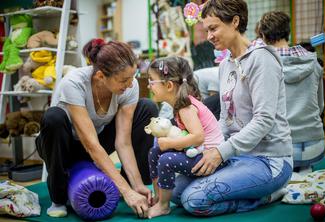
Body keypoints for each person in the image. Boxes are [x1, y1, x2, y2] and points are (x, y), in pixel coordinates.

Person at [171, 0, 293, 216]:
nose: (208, 36)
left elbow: (264, 120)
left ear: (235, 21)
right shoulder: (226, 64)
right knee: (174, 191)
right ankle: (249, 188)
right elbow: (226, 119)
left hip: (269, 161)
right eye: (207, 29)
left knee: (193, 200)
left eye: (213, 28)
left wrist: (221, 152)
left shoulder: (262, 59)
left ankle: (266, 195)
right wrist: (210, 148)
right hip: (236, 157)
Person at [35, 39, 158, 218]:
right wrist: (122, 189)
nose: (130, 84)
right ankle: (58, 197)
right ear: (100, 76)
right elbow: (91, 144)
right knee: (53, 117)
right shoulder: (74, 83)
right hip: (63, 147)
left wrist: (135, 185)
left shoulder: (130, 86)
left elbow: (123, 142)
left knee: (147, 107)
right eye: (124, 80)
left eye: (133, 76)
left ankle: (134, 187)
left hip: (97, 142)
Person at [146, 56, 225, 218]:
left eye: (152, 81)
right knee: (154, 153)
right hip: (196, 152)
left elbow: (198, 137)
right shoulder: (179, 105)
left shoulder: (186, 107)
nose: (149, 85)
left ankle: (164, 206)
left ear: (168, 85)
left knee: (165, 160)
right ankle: (159, 197)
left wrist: (170, 143)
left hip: (208, 158)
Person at [258, 11, 325, 173]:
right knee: (305, 176)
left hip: (281, 146)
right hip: (315, 143)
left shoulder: (263, 65)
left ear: (263, 35)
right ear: (287, 32)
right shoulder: (314, 63)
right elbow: (321, 105)